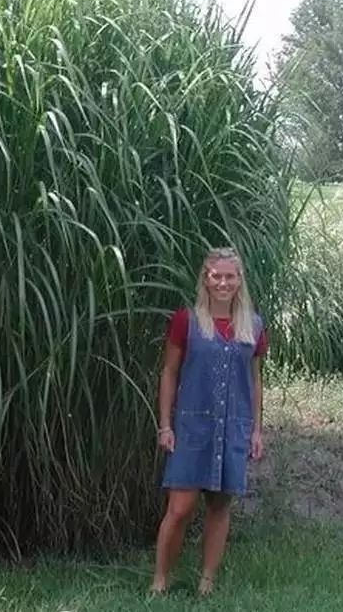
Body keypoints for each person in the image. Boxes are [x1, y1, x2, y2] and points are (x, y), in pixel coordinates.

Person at [149, 246, 268, 597]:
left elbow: (256, 379)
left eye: (230, 276)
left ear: (239, 279)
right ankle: (160, 580)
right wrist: (165, 424)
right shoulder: (187, 320)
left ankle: (207, 583)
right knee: (180, 507)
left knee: (219, 505)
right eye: (217, 275)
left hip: (233, 427)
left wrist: (256, 429)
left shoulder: (254, 325)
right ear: (206, 278)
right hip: (192, 427)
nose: (223, 282)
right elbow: (169, 372)